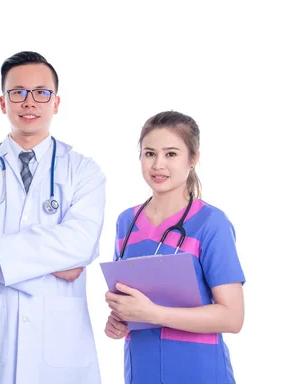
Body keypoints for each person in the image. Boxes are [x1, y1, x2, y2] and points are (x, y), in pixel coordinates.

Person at [0, 51, 105, 384]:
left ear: (56, 102)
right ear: (3, 103)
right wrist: (54, 261)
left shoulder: (84, 171)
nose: (29, 101)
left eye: (41, 92)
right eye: (17, 92)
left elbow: (80, 244)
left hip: (61, 350)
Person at [105, 111, 245, 384]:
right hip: (142, 369)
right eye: (149, 154)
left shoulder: (211, 222)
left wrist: (152, 313)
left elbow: (232, 317)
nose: (158, 164)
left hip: (198, 371)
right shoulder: (126, 221)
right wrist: (120, 320)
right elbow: (128, 300)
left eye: (171, 154)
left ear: (192, 160)